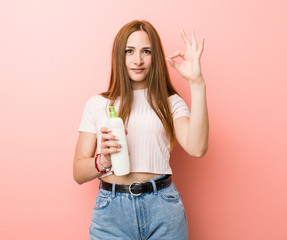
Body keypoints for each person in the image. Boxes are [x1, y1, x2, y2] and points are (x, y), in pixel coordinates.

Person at [73, 20, 209, 240]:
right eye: (129, 51)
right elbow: (78, 173)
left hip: (163, 209)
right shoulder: (97, 104)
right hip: (111, 213)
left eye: (146, 51)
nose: (138, 60)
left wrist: (197, 83)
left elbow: (197, 148)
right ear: (119, 55)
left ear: (155, 56)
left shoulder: (169, 102)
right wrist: (104, 161)